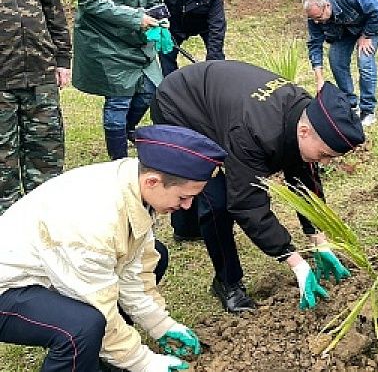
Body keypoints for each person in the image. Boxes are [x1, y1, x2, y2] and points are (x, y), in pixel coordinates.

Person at [0, 124, 227, 372]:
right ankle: (86, 351)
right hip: (8, 288)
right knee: (82, 327)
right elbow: (97, 302)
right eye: (183, 197)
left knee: (157, 255)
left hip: (55, 271)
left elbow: (134, 269)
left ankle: (101, 355)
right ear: (152, 181)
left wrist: (161, 325)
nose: (187, 206)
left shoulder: (134, 185)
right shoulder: (93, 222)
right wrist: (144, 363)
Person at [150, 60, 365, 313]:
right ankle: (227, 282)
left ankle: (185, 228)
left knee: (295, 166)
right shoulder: (255, 133)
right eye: (325, 154)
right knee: (216, 200)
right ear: (305, 131)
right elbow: (247, 204)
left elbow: (305, 182)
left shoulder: (305, 113)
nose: (325, 162)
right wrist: (295, 262)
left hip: (221, 102)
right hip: (180, 104)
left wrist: (318, 239)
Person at [72, 0, 165, 161]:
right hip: (105, 40)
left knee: (150, 90)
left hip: (136, 40)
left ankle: (124, 132)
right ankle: (119, 161)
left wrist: (161, 16)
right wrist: (135, 18)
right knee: (119, 99)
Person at [0, 0, 71, 214]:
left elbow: (52, 7)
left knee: (47, 149)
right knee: (3, 157)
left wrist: (63, 59)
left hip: (40, 71)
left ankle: (45, 214)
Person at [303, 0, 378, 127]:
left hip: (368, 25)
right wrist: (319, 79)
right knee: (336, 61)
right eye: (313, 19)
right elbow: (315, 44)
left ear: (327, 6)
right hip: (343, 31)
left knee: (365, 61)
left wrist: (367, 35)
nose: (316, 22)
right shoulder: (314, 17)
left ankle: (368, 110)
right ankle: (350, 104)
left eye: (319, 18)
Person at [157, 0, 226, 76]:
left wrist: (213, 60)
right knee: (166, 54)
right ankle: (171, 83)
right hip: (173, 22)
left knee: (216, 56)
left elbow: (217, 26)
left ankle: (216, 79)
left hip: (203, 23)